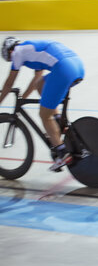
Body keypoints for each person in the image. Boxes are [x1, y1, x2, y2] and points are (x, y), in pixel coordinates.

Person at [0, 37, 85, 171]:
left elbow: (9, 84)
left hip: (63, 69)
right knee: (41, 85)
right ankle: (58, 120)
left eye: (10, 59)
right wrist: (22, 98)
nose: (13, 61)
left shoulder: (17, 52)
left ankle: (62, 152)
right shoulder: (31, 47)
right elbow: (37, 80)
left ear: (9, 51)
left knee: (44, 115)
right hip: (77, 66)